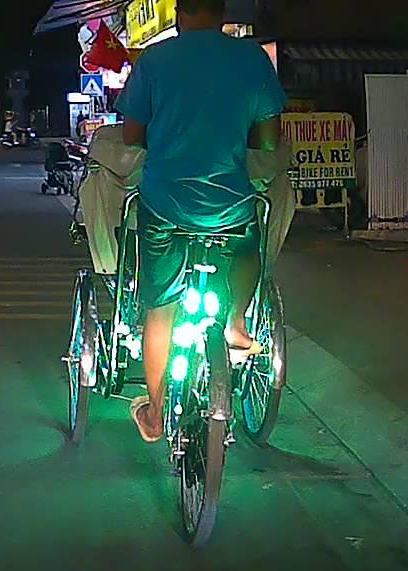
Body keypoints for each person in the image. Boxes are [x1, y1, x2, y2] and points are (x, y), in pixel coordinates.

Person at [114, 0, 285, 444]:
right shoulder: (250, 59)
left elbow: (131, 135)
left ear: (178, 14)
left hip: (165, 205)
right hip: (229, 203)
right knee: (247, 244)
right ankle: (235, 322)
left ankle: (155, 414)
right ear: (223, 13)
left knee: (161, 309)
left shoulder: (155, 60)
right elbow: (269, 141)